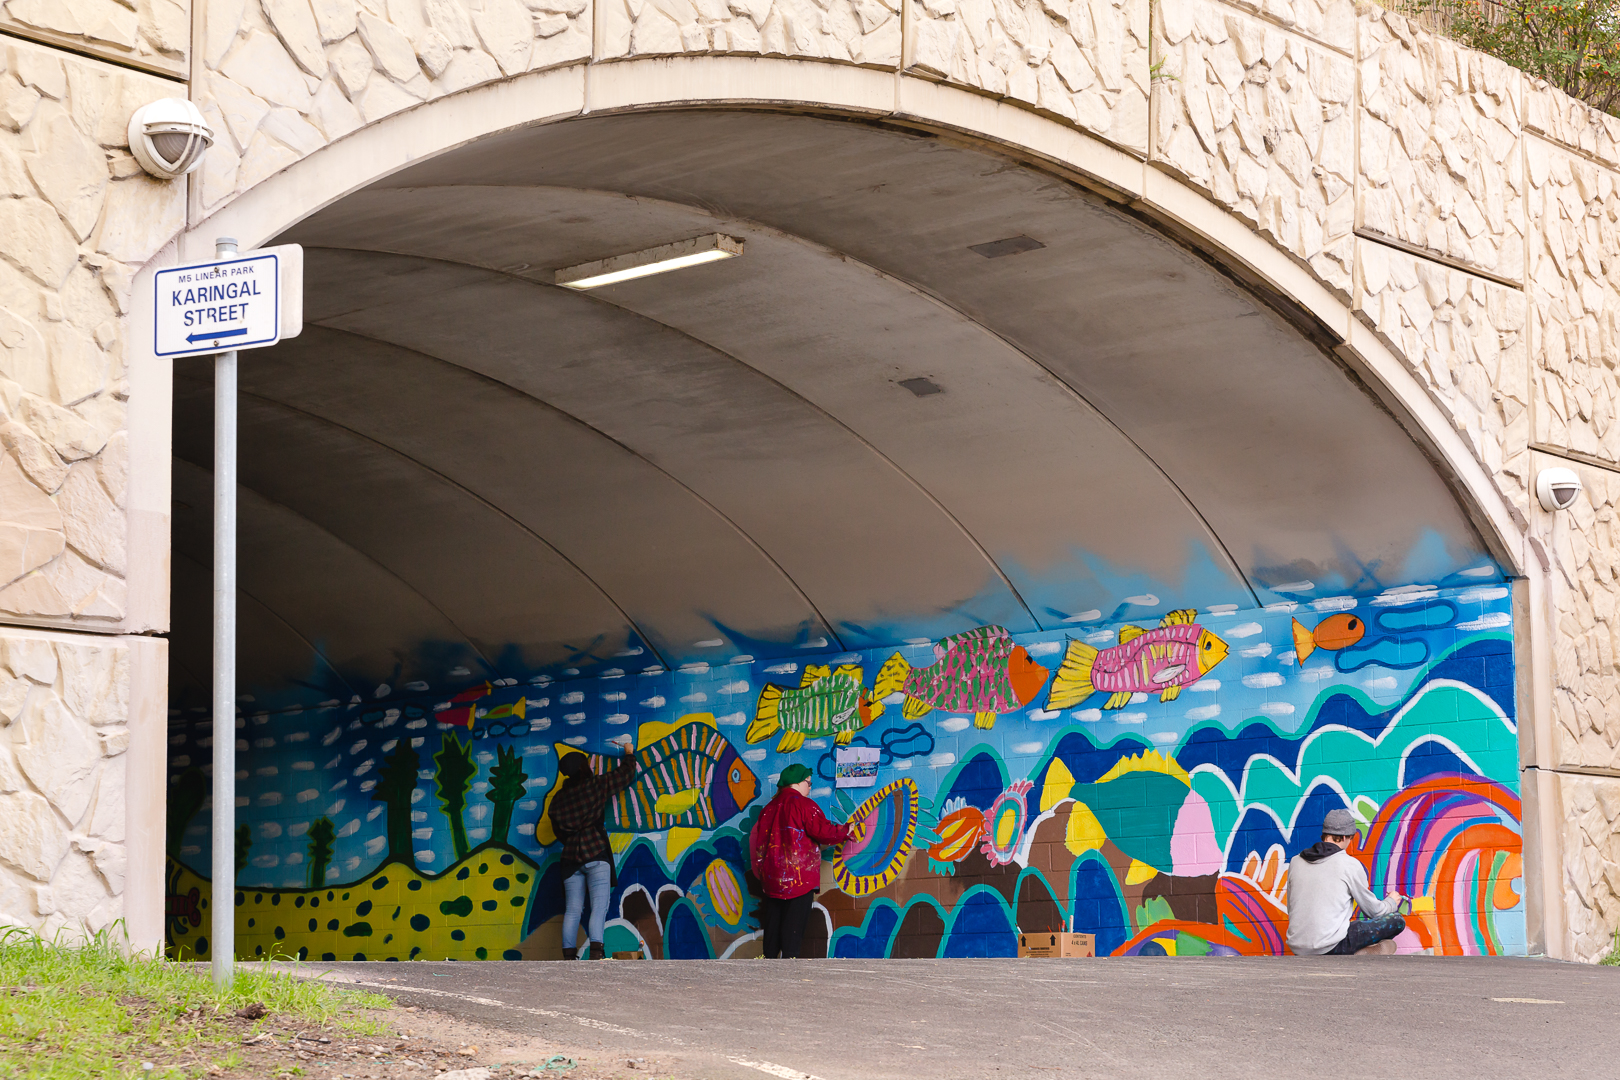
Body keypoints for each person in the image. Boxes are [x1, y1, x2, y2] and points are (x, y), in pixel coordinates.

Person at [750, 763, 856, 959]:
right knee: (793, 932)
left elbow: (759, 846)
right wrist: (845, 830)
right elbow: (822, 831)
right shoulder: (805, 806)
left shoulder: (768, 809)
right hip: (799, 879)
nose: (810, 787)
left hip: (772, 880)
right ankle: (788, 976)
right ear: (798, 783)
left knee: (773, 930)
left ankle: (766, 974)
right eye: (809, 783)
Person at [548, 741, 636, 960]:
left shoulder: (558, 801)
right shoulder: (595, 785)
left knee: (572, 910)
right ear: (583, 768)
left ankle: (569, 956)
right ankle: (596, 953)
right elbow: (624, 775)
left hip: (570, 859)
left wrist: (573, 839)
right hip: (595, 852)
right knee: (599, 906)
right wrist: (629, 753)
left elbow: (558, 831)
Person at [1286, 808, 1406, 956]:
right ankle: (1360, 954)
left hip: (1298, 947)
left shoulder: (1295, 861)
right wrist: (1391, 902)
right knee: (1396, 920)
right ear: (1345, 837)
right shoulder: (1349, 864)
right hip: (1331, 947)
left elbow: (1291, 908)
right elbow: (1373, 911)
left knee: (1352, 927)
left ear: (1324, 835)